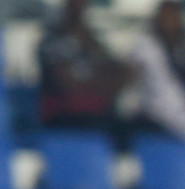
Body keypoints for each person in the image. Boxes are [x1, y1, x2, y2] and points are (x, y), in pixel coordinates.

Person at [125, 1, 185, 143]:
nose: (170, 21)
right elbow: (133, 80)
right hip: (155, 112)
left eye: (174, 16)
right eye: (166, 17)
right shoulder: (145, 47)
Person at [38, 0, 129, 133]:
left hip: (98, 113)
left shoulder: (93, 42)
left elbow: (120, 73)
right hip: (63, 115)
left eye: (82, 5)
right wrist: (101, 84)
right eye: (74, 5)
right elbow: (67, 84)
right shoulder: (50, 41)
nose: (79, 9)